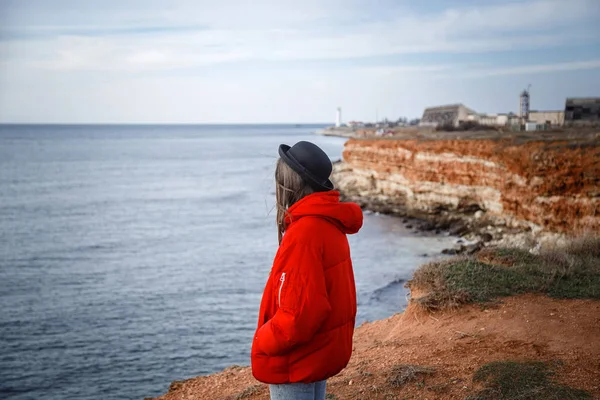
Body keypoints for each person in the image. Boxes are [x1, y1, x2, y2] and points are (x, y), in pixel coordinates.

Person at [251, 141, 363, 400]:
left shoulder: (303, 233)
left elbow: (301, 314)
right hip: (316, 351)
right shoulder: (328, 222)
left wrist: (264, 339)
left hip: (295, 359)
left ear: (289, 185)